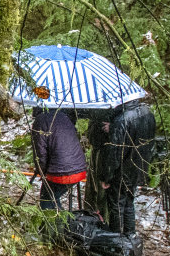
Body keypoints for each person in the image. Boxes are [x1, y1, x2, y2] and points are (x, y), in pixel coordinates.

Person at [90, 100, 157, 236]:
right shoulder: (147, 113)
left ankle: (117, 240)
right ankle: (129, 236)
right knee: (128, 202)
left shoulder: (121, 120)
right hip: (138, 166)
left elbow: (114, 152)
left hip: (122, 169)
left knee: (116, 205)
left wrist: (106, 177)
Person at [30, 107, 87, 211]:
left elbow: (40, 153)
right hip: (79, 168)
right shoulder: (63, 116)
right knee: (53, 195)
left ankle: (54, 224)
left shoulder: (40, 121)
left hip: (61, 173)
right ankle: (61, 218)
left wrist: (41, 171)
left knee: (47, 199)